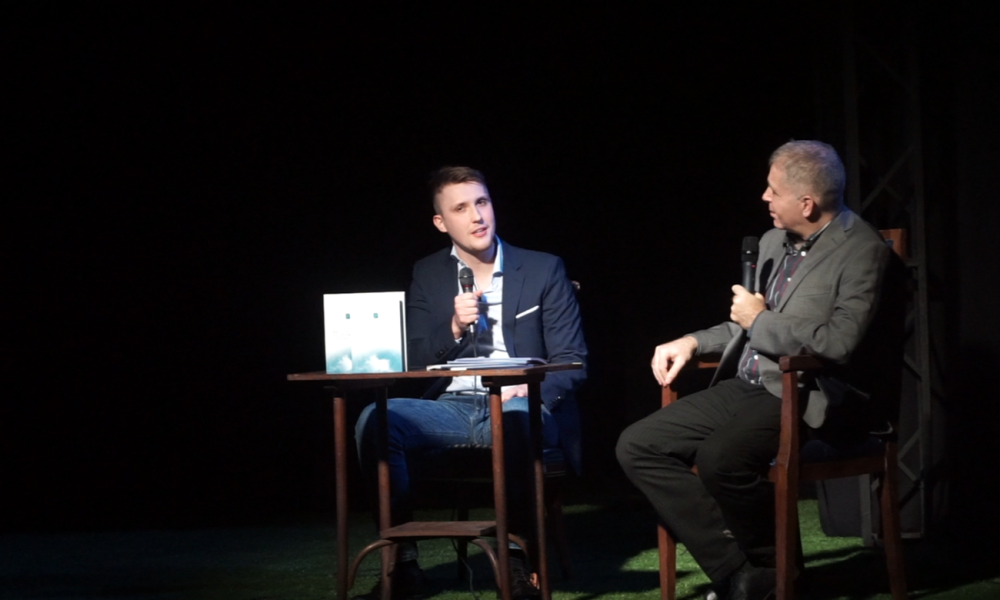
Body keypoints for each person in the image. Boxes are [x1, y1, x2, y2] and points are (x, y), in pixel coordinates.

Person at [616, 141, 893, 600]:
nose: (765, 197)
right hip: (746, 382)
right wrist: (691, 341)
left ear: (807, 203)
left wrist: (759, 321)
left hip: (803, 391)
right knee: (639, 445)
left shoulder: (862, 250)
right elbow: (744, 322)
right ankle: (744, 571)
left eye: (773, 190)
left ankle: (771, 570)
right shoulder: (770, 243)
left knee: (722, 457)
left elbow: (838, 342)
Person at [354, 166, 587, 600]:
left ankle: (516, 561)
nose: (477, 216)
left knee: (516, 417)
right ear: (441, 222)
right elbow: (414, 359)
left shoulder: (542, 268)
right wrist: (454, 328)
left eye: (482, 202)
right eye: (461, 208)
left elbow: (573, 362)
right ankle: (402, 564)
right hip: (452, 408)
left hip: (522, 403)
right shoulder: (427, 273)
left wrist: (531, 387)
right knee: (376, 419)